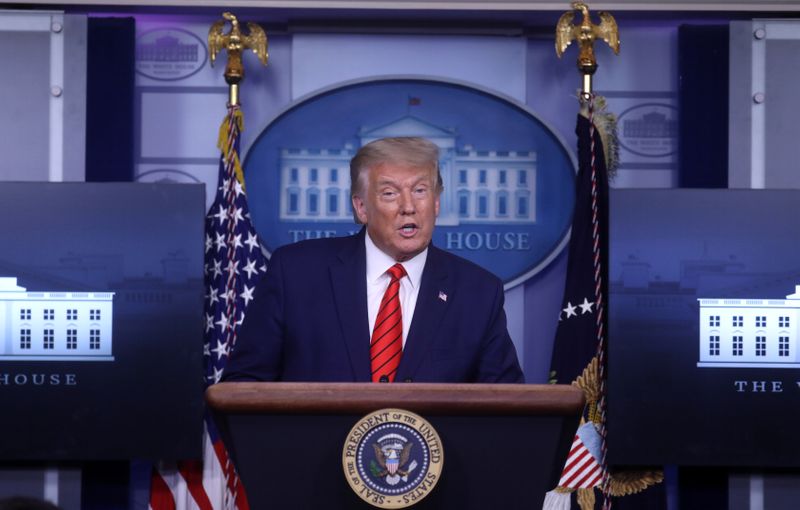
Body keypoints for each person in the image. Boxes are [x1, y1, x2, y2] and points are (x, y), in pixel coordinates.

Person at [223, 137, 524, 383]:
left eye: (420, 191)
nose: (409, 207)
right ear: (361, 208)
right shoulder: (296, 274)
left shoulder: (478, 293)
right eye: (390, 193)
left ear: (435, 202)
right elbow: (243, 387)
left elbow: (507, 409)